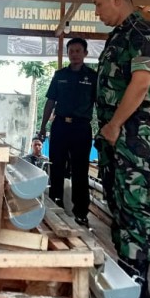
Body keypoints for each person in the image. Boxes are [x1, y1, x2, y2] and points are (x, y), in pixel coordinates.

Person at [90, 0, 150, 298]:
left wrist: (116, 124)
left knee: (132, 202)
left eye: (98, 4)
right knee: (117, 199)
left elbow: (141, 83)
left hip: (133, 132)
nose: (97, 12)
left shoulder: (143, 33)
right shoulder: (117, 37)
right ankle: (126, 273)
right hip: (113, 133)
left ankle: (137, 282)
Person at [38, 37, 97, 227]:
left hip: (81, 128)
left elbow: (100, 104)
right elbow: (50, 102)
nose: (74, 54)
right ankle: (56, 204)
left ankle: (81, 212)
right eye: (71, 51)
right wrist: (43, 127)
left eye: (78, 51)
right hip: (61, 126)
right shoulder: (59, 75)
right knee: (57, 167)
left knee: (80, 170)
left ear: (85, 54)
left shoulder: (93, 77)